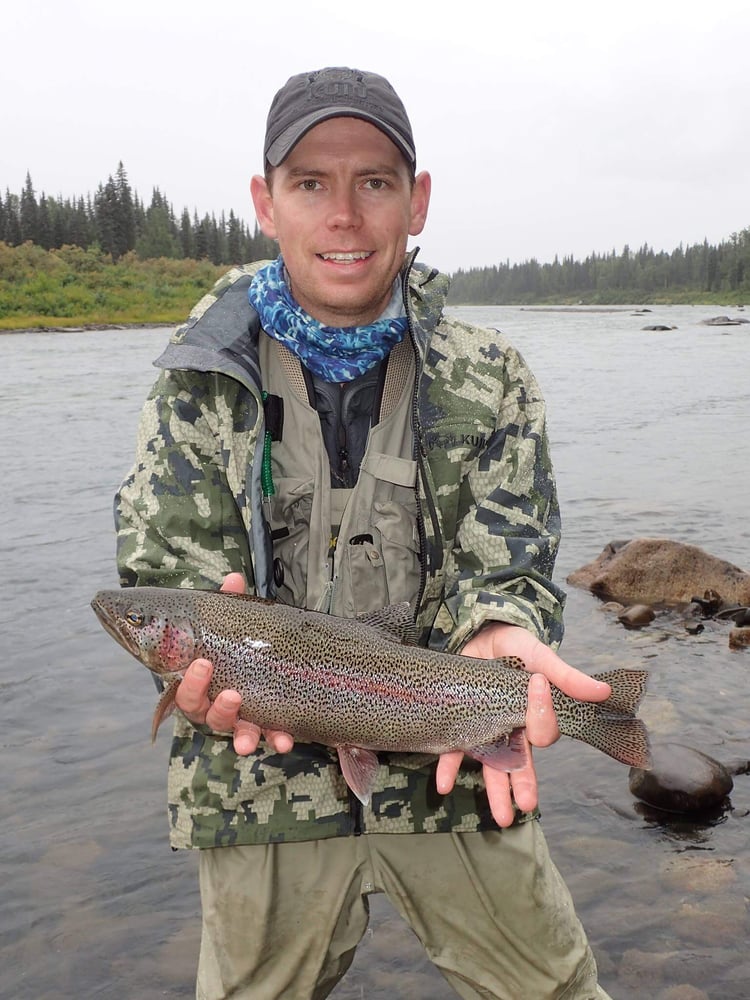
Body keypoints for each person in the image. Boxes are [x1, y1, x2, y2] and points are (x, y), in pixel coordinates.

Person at [115, 66, 613, 1000]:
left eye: (374, 182)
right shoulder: (194, 380)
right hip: (255, 791)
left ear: (415, 203)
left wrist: (499, 624)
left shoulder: (492, 376)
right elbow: (162, 573)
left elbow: (512, 554)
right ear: (266, 202)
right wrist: (179, 679)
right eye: (311, 183)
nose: (343, 214)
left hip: (458, 776)